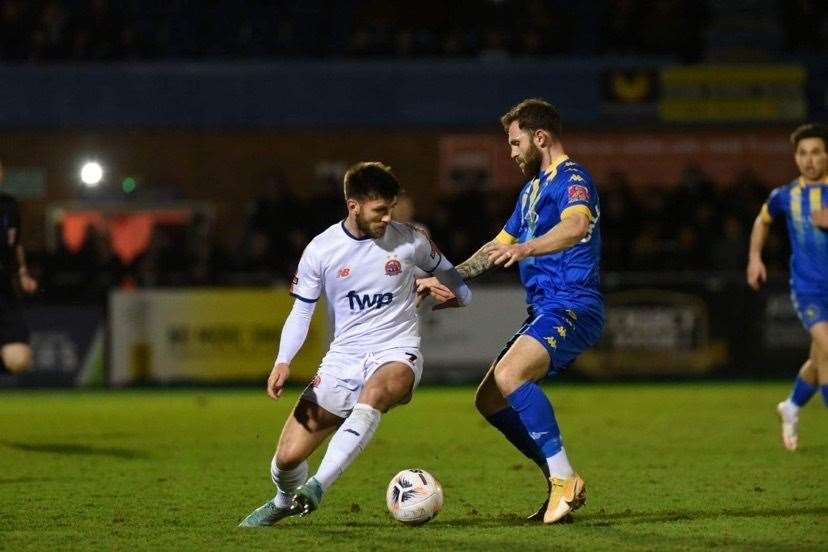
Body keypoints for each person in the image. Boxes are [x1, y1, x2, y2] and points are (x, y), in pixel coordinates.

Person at [239, 162, 471, 527]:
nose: (387, 217)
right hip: (343, 359)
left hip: (397, 349)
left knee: (377, 391)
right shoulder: (322, 250)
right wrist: (283, 361)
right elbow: (301, 312)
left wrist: (437, 289)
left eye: (391, 208)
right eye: (380, 210)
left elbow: (462, 289)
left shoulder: (412, 240)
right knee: (286, 459)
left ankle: (317, 486)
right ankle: (285, 500)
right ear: (354, 206)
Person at [418, 98, 603, 524]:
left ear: (541, 137)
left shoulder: (573, 179)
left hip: (573, 303)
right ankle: (558, 482)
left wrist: (527, 247)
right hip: (545, 308)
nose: (511, 151)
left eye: (516, 141)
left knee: (510, 375)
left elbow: (576, 226)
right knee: (489, 399)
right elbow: (496, 247)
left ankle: (564, 479)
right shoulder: (531, 190)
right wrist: (447, 279)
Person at [747, 123, 828, 451]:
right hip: (808, 288)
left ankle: (792, 406)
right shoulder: (785, 195)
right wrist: (755, 258)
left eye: (816, 152)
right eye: (803, 154)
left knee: (819, 355)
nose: (809, 160)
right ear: (796, 158)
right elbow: (761, 221)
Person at [0, 158, 38, 376]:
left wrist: (22, 272)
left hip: (4, 289)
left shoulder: (9, 206)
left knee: (19, 359)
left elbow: (16, 245)